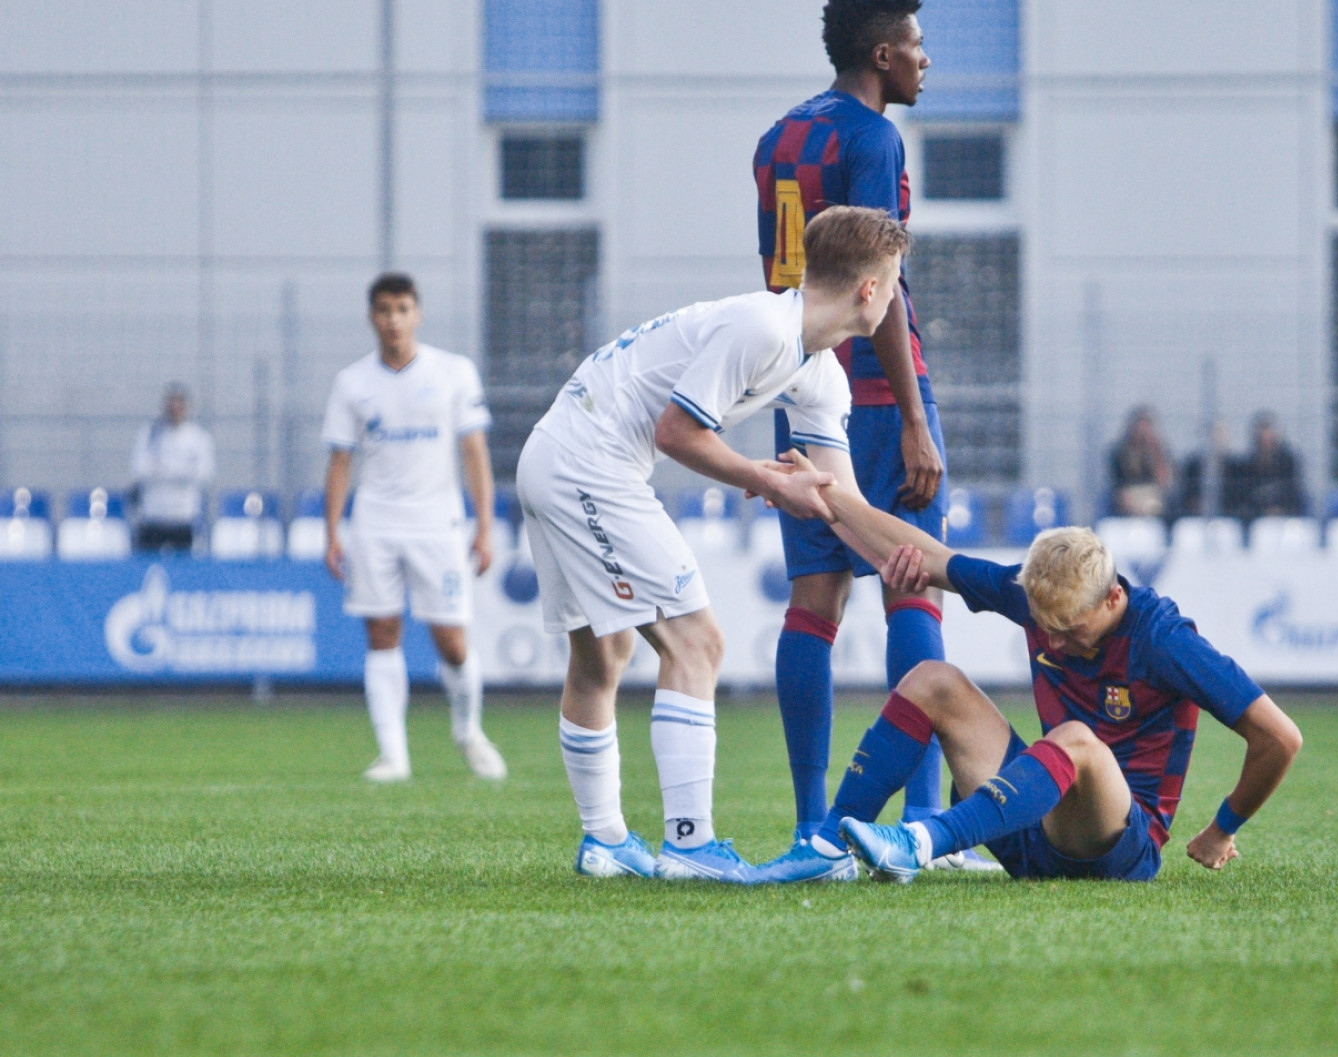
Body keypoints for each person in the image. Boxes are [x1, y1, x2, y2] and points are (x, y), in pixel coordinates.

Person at [516, 206, 904, 883]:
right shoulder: (762, 328)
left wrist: (913, 561)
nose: (896, 294)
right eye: (895, 280)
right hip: (587, 460)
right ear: (869, 288)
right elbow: (674, 432)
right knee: (698, 643)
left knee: (603, 652)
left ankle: (605, 841)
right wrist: (763, 477)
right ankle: (690, 844)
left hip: (557, 453)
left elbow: (844, 504)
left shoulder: (819, 373)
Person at [776, 450, 1303, 883]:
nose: (1052, 640)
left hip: (1119, 848)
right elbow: (926, 555)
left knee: (1076, 738)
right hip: (1033, 831)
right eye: (1044, 624)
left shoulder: (1163, 639)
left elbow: (1280, 737)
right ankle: (827, 850)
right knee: (932, 680)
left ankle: (920, 843)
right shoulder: (1036, 597)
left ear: (1113, 598)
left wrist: (1223, 828)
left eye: (1069, 629)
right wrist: (824, 496)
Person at [753, 0, 990, 870]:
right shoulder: (874, 137)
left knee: (814, 601)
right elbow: (876, 287)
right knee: (912, 583)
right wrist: (917, 424)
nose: (928, 60)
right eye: (918, 47)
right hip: (881, 396)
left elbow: (787, 276)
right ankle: (922, 823)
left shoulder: (779, 137)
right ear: (883, 53)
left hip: (798, 382)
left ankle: (813, 823)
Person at [322, 273, 506, 784]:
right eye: (384, 309)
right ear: (371, 317)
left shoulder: (453, 373)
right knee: (382, 633)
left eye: (402, 308)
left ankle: (469, 733)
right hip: (376, 522)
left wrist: (483, 526)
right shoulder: (352, 383)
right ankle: (393, 755)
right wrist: (332, 530)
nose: (393, 319)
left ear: (417, 313)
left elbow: (474, 453)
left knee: (451, 641)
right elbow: (340, 460)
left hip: (438, 524)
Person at [130, 382, 214, 553]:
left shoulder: (198, 437)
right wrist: (179, 470)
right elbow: (139, 468)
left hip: (183, 516)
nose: (175, 410)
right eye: (171, 405)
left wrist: (165, 469)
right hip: (153, 515)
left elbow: (204, 472)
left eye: (179, 405)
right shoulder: (150, 434)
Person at [1226, 411, 1305, 522]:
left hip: (1285, 515)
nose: (1266, 440)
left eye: (1269, 436)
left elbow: (1293, 491)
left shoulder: (1288, 462)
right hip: (1256, 516)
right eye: (1263, 436)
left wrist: (1279, 509)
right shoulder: (1247, 466)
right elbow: (1244, 494)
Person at [1107, 406, 1172, 518]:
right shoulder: (1120, 452)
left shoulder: (1157, 451)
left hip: (1153, 494)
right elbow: (1120, 483)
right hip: (1129, 494)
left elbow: (1163, 480)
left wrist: (1154, 451)